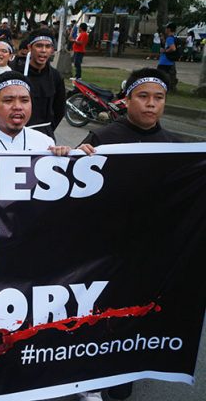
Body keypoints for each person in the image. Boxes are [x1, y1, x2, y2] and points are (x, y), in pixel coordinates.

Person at [75, 68, 179, 401]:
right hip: (103, 251)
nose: (151, 105)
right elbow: (68, 194)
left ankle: (121, 378)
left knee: (135, 319)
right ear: (128, 99)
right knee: (97, 317)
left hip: (148, 254)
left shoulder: (176, 147)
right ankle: (86, 382)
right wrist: (76, 159)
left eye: (158, 98)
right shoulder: (103, 138)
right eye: (143, 96)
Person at [11, 28, 65, 139]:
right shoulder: (15, 72)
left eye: (48, 46)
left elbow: (59, 109)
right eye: (39, 46)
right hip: (16, 133)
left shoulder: (55, 76)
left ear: (52, 50)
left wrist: (47, 129)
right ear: (30, 48)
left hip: (44, 134)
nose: (43, 50)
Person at [158, 22, 178, 92]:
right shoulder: (173, 37)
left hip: (165, 61)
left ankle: (162, 89)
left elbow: (173, 48)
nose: (165, 29)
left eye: (166, 28)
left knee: (159, 76)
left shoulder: (169, 38)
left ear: (169, 29)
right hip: (169, 61)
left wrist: (165, 51)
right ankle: (166, 89)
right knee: (165, 77)